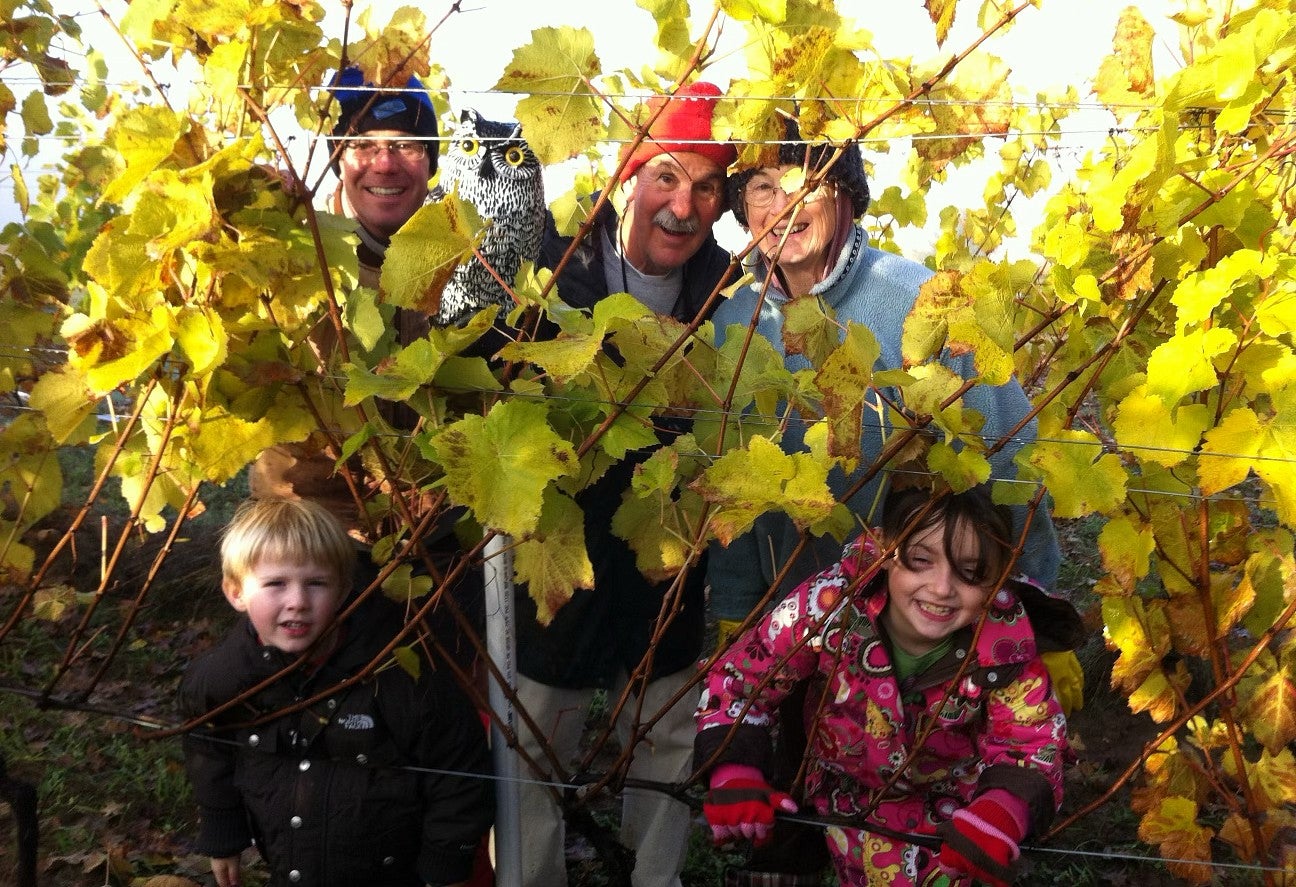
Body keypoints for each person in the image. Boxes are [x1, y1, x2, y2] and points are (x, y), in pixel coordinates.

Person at [511, 80, 737, 887]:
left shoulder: (728, 293)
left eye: (706, 185)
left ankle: (656, 880)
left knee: (667, 740)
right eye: (667, 176)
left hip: (663, 551)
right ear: (628, 179)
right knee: (533, 739)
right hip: (559, 544)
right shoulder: (551, 266)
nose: (684, 203)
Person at [695, 484, 1081, 887]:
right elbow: (738, 681)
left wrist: (1002, 810)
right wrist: (733, 770)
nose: (942, 588)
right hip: (829, 784)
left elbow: (1032, 743)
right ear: (885, 552)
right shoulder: (830, 604)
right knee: (783, 861)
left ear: (999, 576)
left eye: (971, 573)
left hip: (950, 806)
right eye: (920, 561)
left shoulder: (1007, 646)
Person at [178, 497, 494, 887]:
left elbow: (457, 766)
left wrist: (446, 864)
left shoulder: (396, 676)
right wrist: (222, 832)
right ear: (236, 592)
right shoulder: (222, 678)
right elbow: (208, 750)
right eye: (275, 584)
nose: (297, 602)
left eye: (316, 583)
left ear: (344, 589)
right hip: (291, 864)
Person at [249, 65, 440, 538]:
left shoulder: (468, 260)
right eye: (362, 145)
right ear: (337, 158)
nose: (385, 163)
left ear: (432, 162)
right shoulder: (291, 253)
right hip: (309, 542)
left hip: (440, 544)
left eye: (407, 145)